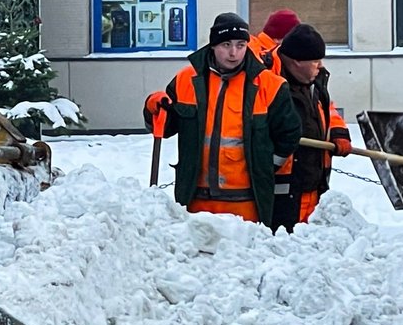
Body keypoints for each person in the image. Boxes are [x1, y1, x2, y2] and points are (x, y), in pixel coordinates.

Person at [144, 12, 301, 229]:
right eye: (226, 44)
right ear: (213, 46)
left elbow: (289, 133)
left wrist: (265, 166)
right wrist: (152, 106)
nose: (233, 53)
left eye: (240, 44)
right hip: (196, 200)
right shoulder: (186, 80)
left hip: (247, 202)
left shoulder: (269, 85)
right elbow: (165, 125)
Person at [268, 23, 352, 231]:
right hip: (281, 192)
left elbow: (327, 110)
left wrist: (338, 133)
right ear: (296, 62)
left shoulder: (315, 81)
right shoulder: (268, 81)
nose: (320, 65)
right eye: (315, 60)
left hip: (314, 186)